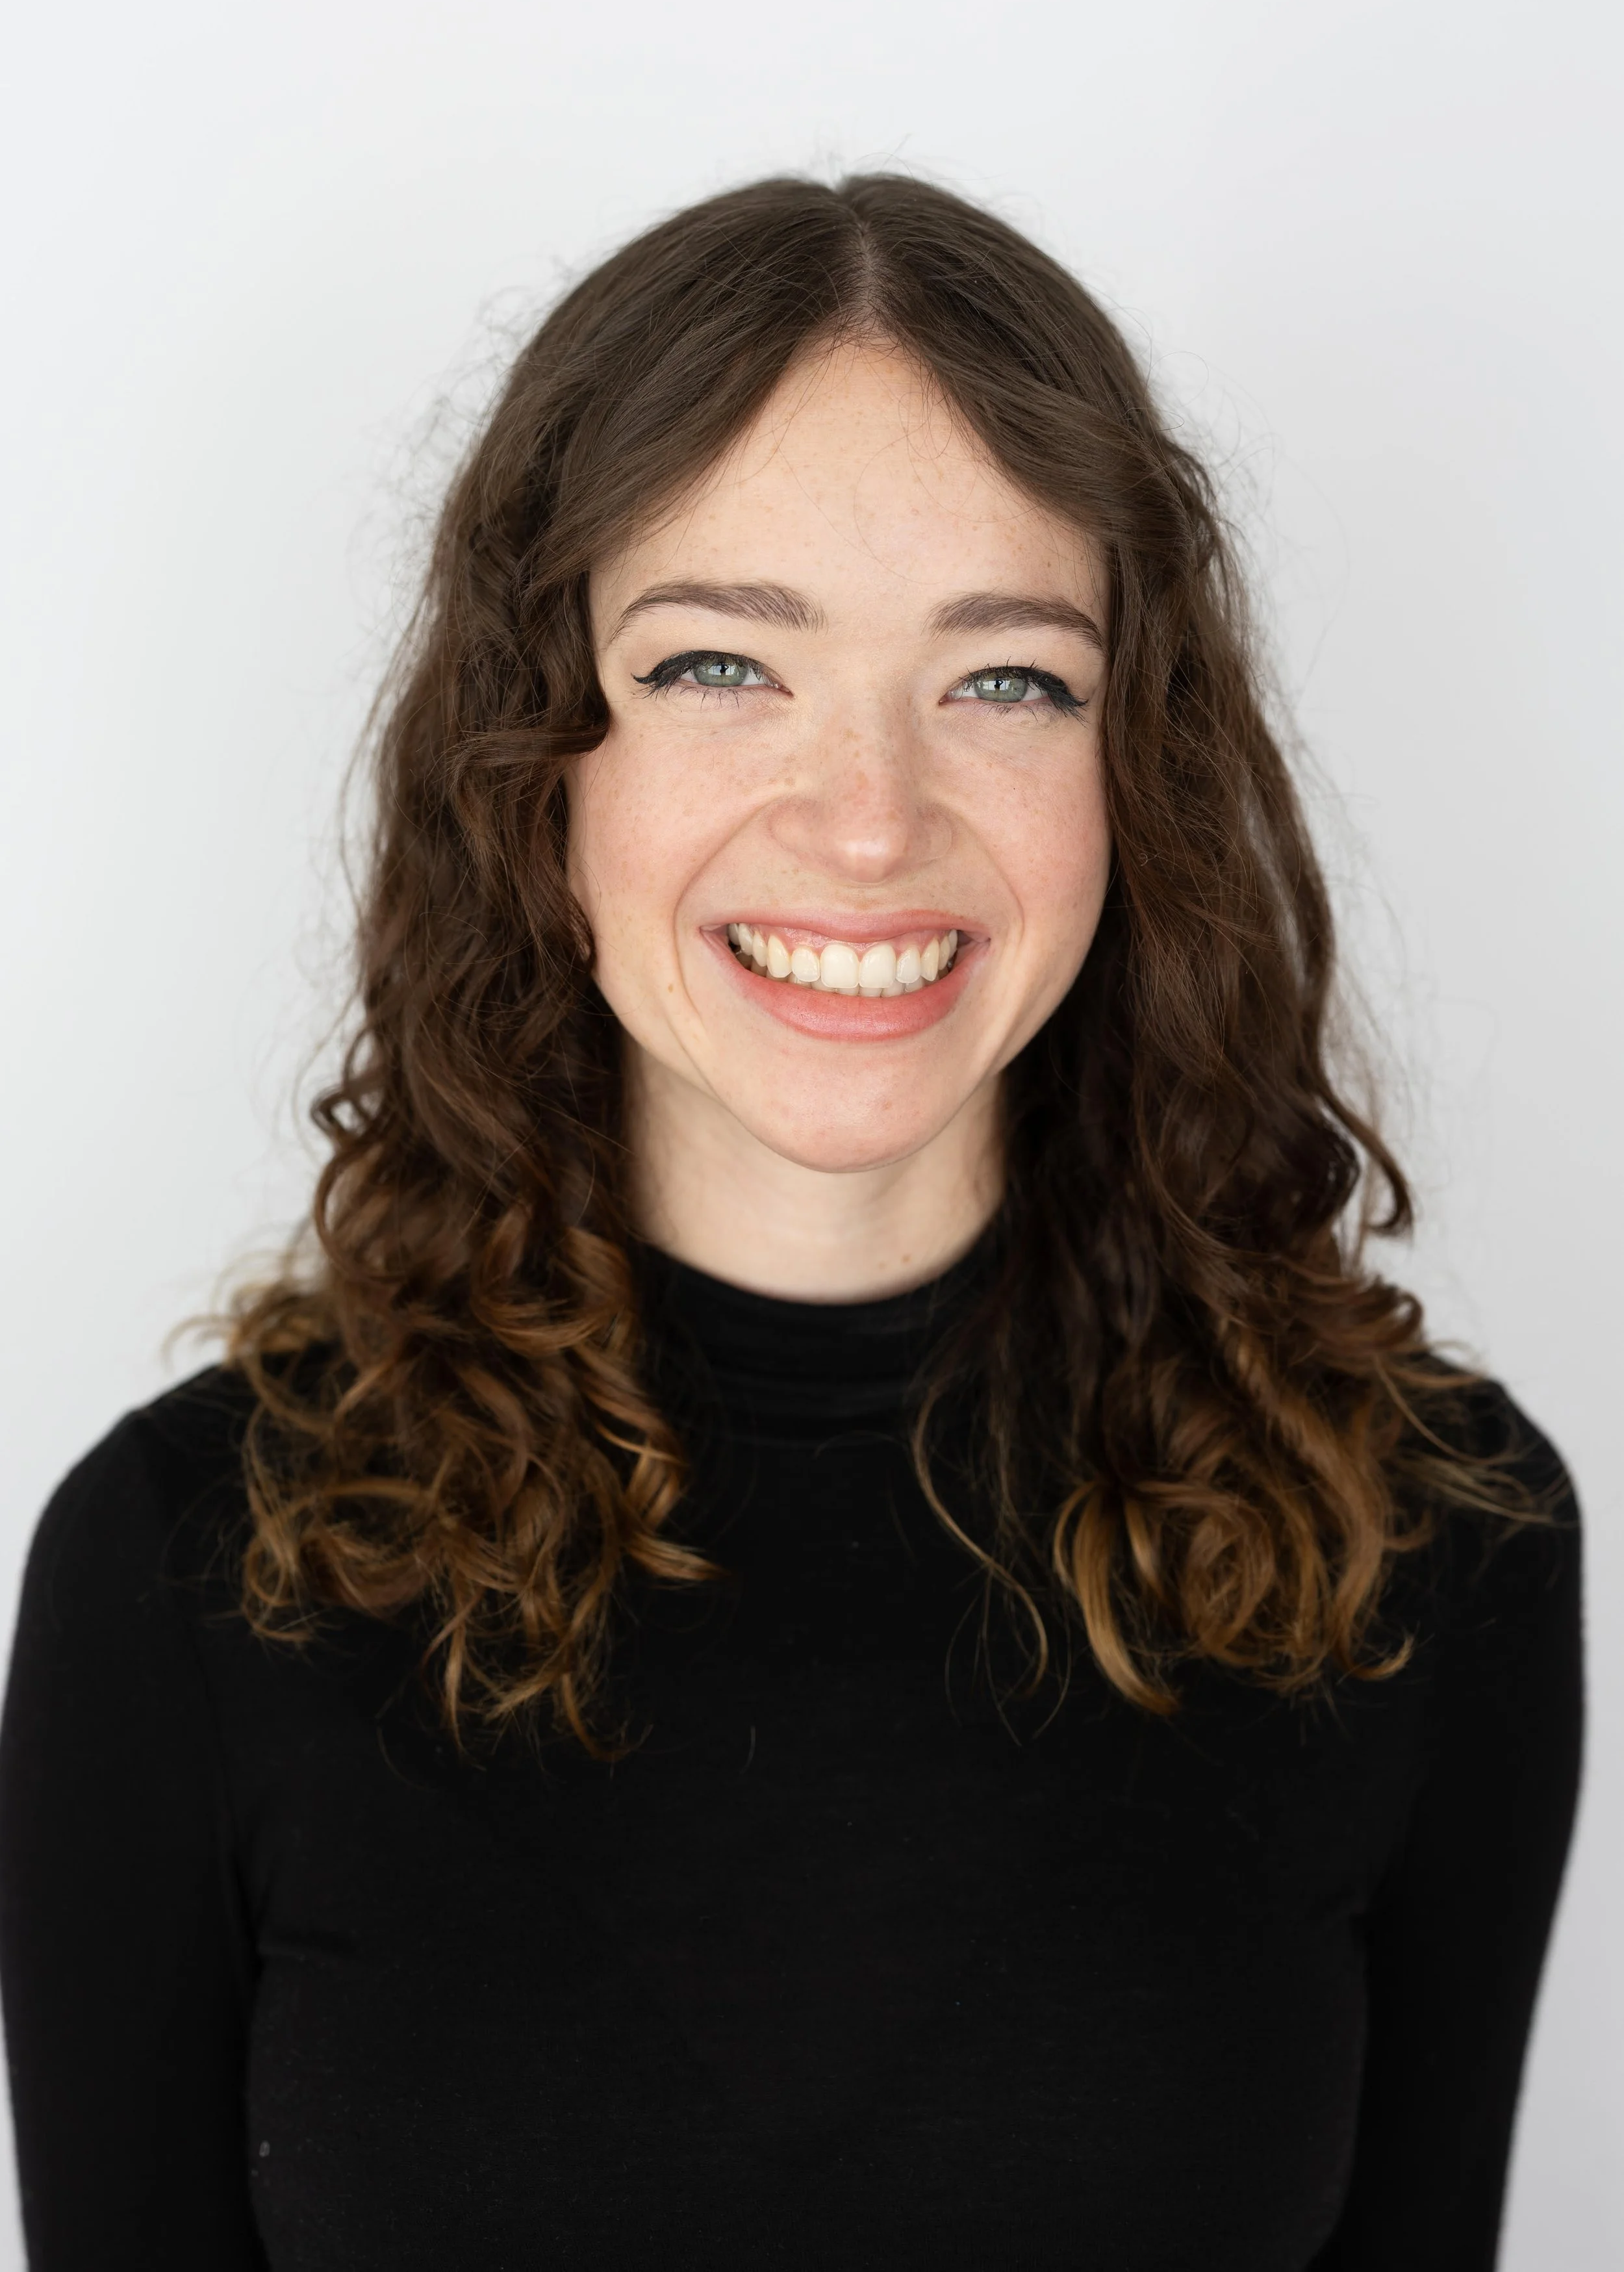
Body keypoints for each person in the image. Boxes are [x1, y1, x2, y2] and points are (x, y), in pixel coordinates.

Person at [0, 175, 1582, 2272]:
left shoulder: (1427, 1544)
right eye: (721, 662)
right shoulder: (189, 1577)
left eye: (1004, 679)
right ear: (532, 761)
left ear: (1139, 760)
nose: (865, 819)